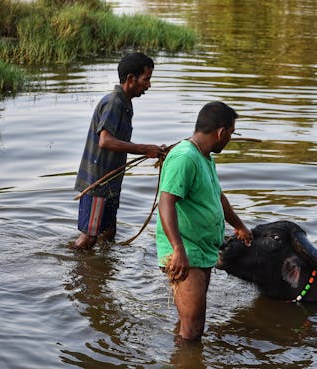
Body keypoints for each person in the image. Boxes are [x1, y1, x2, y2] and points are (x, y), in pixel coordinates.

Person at [156, 101, 252, 341]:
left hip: (200, 249)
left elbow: (218, 196)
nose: (230, 138)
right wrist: (178, 250)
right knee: (193, 330)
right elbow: (165, 203)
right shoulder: (185, 157)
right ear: (221, 132)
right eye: (231, 133)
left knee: (190, 323)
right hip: (186, 251)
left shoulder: (205, 157)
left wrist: (238, 225)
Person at [74, 52, 164, 250]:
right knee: (88, 238)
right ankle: (73, 266)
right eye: (146, 79)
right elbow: (106, 141)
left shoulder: (125, 103)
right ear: (131, 79)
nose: (148, 85)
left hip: (111, 182)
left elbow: (116, 141)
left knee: (108, 233)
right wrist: (144, 149)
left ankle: (101, 273)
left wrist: (154, 150)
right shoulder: (114, 102)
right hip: (98, 182)